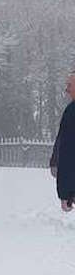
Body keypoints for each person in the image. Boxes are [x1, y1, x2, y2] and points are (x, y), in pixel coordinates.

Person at [55, 72, 75, 211]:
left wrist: (66, 193)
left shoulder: (71, 113)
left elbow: (67, 153)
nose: (66, 89)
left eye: (70, 85)